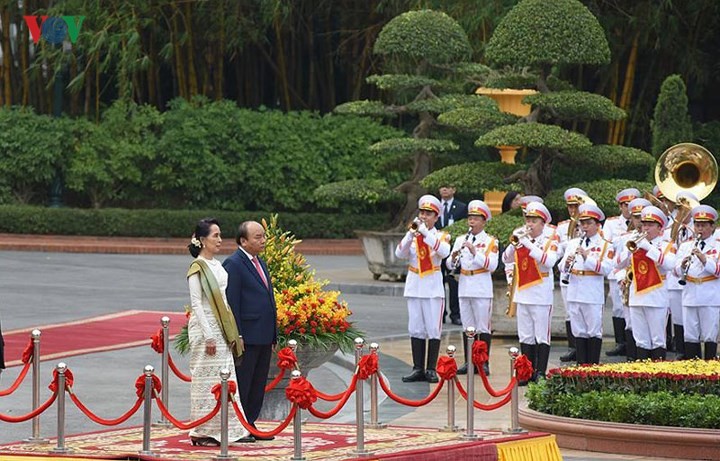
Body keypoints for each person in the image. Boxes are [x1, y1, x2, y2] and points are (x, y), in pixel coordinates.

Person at [186, 218, 251, 446]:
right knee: (206, 379)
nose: (220, 240)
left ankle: (230, 429)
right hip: (205, 330)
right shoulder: (197, 268)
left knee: (226, 376)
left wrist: (233, 332)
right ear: (202, 240)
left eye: (220, 235)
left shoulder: (219, 266)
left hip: (222, 327)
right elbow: (196, 304)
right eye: (215, 236)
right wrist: (209, 335)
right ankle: (201, 431)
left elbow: (224, 301)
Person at [223, 221, 278, 442]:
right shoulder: (234, 264)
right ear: (243, 241)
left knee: (258, 383)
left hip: (264, 334)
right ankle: (239, 426)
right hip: (248, 335)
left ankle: (251, 424)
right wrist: (238, 336)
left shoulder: (259, 262)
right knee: (244, 383)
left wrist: (274, 333)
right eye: (257, 237)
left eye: (263, 236)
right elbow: (232, 303)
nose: (262, 240)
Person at [397, 194, 451, 383]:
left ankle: (430, 369)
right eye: (422, 212)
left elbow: (444, 252)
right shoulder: (413, 236)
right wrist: (411, 233)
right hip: (414, 286)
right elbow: (399, 253)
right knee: (416, 328)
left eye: (429, 214)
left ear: (436, 217)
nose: (424, 216)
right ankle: (417, 367)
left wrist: (425, 233)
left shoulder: (440, 236)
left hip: (432, 287)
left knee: (433, 328)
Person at [502, 202, 558, 383]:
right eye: (528, 220)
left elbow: (549, 261)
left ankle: (540, 372)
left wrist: (528, 244)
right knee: (525, 334)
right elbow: (505, 258)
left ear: (543, 223)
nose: (530, 224)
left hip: (541, 292)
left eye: (534, 221)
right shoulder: (521, 239)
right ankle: (525, 372)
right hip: (523, 291)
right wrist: (515, 243)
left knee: (541, 334)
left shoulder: (550, 241)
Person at [616, 206, 676, 360]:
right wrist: (629, 251)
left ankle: (657, 378)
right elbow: (617, 264)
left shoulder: (666, 245)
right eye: (644, 224)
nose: (646, 228)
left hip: (656, 297)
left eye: (650, 225)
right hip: (637, 296)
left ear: (659, 228)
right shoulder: (636, 243)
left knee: (657, 339)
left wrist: (648, 247)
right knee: (641, 339)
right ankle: (642, 376)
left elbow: (670, 264)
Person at [447, 200, 498, 375]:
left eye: (476, 218)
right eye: (470, 218)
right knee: (468, 326)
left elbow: (492, 265)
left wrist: (475, 252)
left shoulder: (490, 241)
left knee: (483, 327)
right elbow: (450, 263)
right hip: (465, 285)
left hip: (482, 287)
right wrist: (454, 257)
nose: (472, 221)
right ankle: (469, 361)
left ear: (484, 221)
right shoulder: (461, 239)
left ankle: (483, 362)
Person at [559, 204, 614, 365]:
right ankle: (581, 365)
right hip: (575, 290)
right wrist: (567, 264)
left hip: (592, 293)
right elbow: (560, 266)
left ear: (598, 225)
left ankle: (593, 366)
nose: (585, 227)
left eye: (589, 223)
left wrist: (586, 258)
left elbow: (606, 268)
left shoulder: (605, 245)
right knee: (579, 330)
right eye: (582, 223)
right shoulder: (573, 243)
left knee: (593, 331)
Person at [674, 205, 720, 360]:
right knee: (690, 334)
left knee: (709, 334)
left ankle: (710, 369)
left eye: (704, 225)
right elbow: (675, 270)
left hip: (709, 295)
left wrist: (703, 258)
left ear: (712, 226)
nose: (700, 229)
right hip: (690, 294)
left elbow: (718, 271)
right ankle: (692, 369)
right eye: (697, 225)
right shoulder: (686, 245)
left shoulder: (718, 245)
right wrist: (682, 266)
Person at [602, 188, 640, 357]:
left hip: (639, 273)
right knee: (619, 308)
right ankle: (621, 342)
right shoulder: (611, 223)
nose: (628, 207)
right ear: (620, 206)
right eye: (626, 205)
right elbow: (607, 244)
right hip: (618, 271)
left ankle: (635, 345)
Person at [616, 197, 652, 360]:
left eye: (642, 218)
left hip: (650, 286)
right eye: (636, 218)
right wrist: (622, 279)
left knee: (651, 328)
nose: (639, 222)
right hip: (631, 285)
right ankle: (632, 359)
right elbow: (616, 263)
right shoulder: (626, 238)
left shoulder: (656, 240)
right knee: (631, 324)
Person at [556, 187, 589, 363]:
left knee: (583, 314)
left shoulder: (587, 224)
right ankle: (573, 347)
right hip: (567, 271)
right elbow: (556, 248)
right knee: (570, 312)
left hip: (584, 272)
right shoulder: (562, 226)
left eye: (576, 206)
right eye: (570, 207)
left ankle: (582, 349)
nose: (573, 210)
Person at [435, 184, 467, 325]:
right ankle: (440, 313)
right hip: (436, 250)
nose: (445, 189)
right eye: (442, 187)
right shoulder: (435, 207)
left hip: (454, 249)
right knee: (438, 281)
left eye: (448, 187)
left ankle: (455, 314)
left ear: (454, 189)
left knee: (453, 282)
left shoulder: (461, 207)